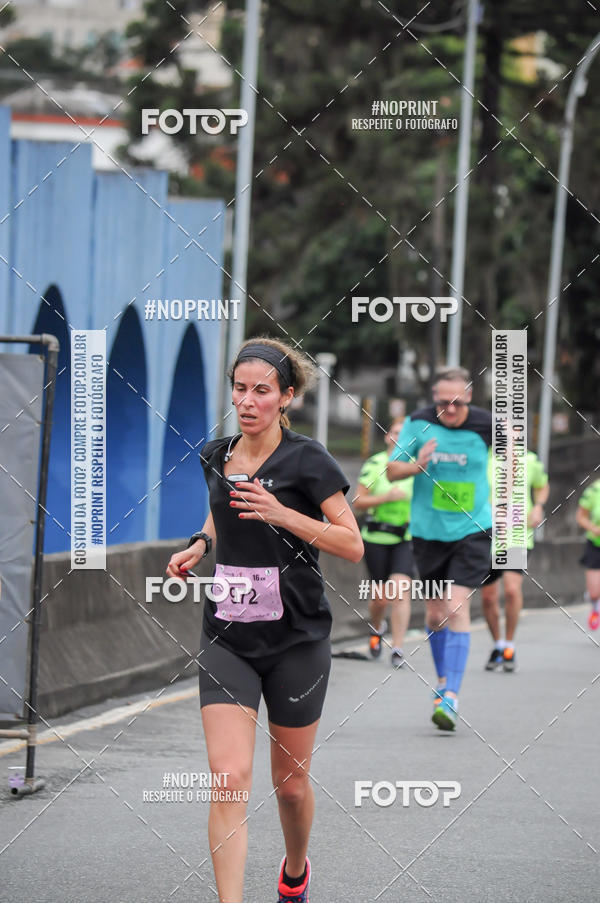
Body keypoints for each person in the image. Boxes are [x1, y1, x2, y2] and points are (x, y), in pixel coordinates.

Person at [166, 336, 363, 903]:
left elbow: (351, 545)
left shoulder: (309, 460)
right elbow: (221, 503)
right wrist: (202, 542)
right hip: (227, 634)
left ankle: (296, 869)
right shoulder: (215, 454)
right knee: (227, 779)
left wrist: (283, 514)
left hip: (297, 641)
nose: (247, 401)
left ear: (286, 397)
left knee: (291, 786)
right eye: (239, 389)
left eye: (261, 391)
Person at [387, 366, 492, 731]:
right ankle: (444, 683)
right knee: (434, 616)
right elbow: (391, 471)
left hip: (473, 529)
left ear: (470, 398)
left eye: (457, 402)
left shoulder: (487, 426)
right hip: (429, 534)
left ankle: (451, 696)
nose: (449, 409)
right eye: (442, 402)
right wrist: (417, 465)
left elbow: (514, 470)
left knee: (455, 606)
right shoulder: (418, 423)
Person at [353, 417, 415, 668]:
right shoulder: (376, 463)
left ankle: (398, 647)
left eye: (405, 434)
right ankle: (377, 627)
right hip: (376, 536)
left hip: (406, 538)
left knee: (399, 590)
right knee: (379, 599)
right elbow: (358, 501)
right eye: (396, 432)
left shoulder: (415, 467)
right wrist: (386, 497)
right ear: (388, 437)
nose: (399, 437)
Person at [482, 450, 549, 671]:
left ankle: (509, 644)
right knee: (489, 598)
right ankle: (498, 644)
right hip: (487, 536)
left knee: (511, 590)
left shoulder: (529, 460)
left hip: (517, 535)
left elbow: (542, 485)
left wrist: (538, 507)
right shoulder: (484, 458)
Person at [575, 478, 600, 630]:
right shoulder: (594, 490)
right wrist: (593, 528)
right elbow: (580, 517)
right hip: (595, 545)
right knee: (594, 592)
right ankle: (595, 607)